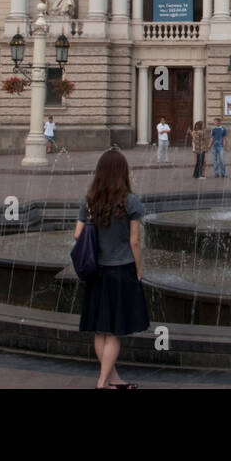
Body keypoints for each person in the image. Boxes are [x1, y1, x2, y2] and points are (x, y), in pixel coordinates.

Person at [73, 149, 149, 388]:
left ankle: (113, 381)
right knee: (114, 331)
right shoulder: (131, 202)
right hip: (121, 270)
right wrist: (138, 270)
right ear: (122, 172)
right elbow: (134, 241)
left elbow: (77, 234)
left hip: (97, 271)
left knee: (100, 330)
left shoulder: (88, 201)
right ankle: (102, 382)